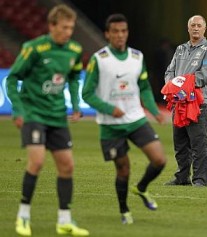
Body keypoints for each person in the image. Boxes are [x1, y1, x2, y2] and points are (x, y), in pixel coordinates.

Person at [6, 4, 89, 236]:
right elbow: (12, 79)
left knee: (67, 166)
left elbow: (73, 77)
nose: (68, 32)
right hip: (34, 114)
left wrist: (74, 104)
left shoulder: (73, 49)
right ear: (51, 26)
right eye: (64, 27)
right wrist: (18, 111)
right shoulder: (34, 48)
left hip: (57, 115)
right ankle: (23, 216)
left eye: (71, 27)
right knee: (37, 161)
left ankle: (64, 220)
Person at [82, 13, 167, 225]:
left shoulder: (137, 57)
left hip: (136, 119)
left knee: (159, 160)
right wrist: (109, 108)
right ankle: (124, 210)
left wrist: (154, 109)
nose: (120, 35)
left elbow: (145, 86)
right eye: (115, 32)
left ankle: (141, 188)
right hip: (111, 125)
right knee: (123, 169)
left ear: (127, 33)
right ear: (107, 34)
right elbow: (87, 93)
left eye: (123, 31)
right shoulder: (99, 60)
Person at [164, 15, 207, 187]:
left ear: (204, 28)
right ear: (188, 28)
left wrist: (183, 85)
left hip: (199, 102)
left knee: (199, 142)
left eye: (199, 25)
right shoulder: (180, 49)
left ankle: (201, 179)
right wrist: (171, 86)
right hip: (179, 102)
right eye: (193, 25)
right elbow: (169, 71)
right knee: (180, 143)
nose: (195, 28)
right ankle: (182, 177)